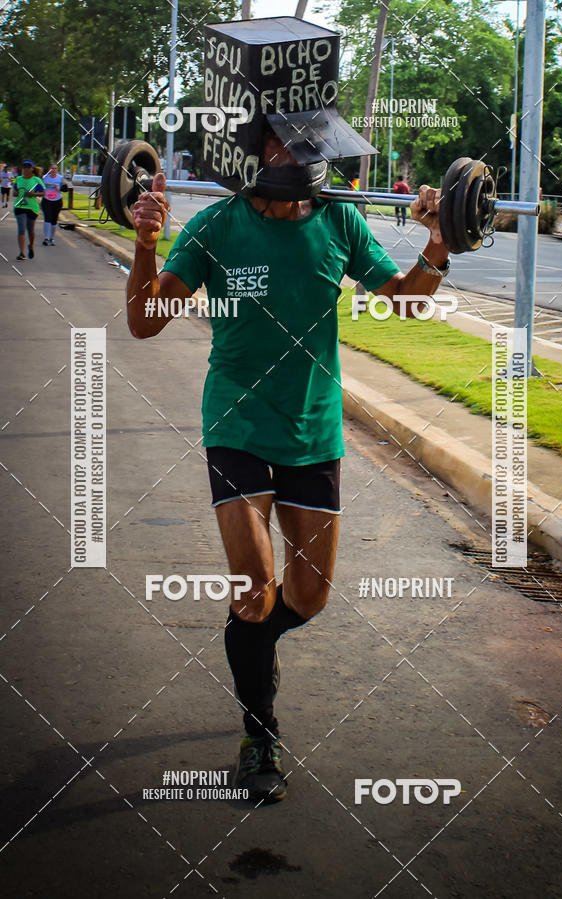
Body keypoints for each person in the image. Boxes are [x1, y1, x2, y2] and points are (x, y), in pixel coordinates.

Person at [126, 17, 451, 806]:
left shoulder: (339, 220)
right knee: (255, 587)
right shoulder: (215, 225)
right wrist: (145, 242)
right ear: (259, 150)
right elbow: (144, 320)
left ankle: (254, 642)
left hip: (313, 427)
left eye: (316, 144)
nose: (309, 156)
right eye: (292, 143)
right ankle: (259, 732)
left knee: (306, 598)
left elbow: (405, 302)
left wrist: (440, 242)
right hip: (237, 422)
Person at [13, 160, 45, 260]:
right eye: (24, 167)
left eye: (28, 167)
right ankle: (22, 253)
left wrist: (33, 194)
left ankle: (31, 245)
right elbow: (15, 191)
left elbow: (43, 193)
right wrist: (15, 193)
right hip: (19, 207)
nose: (26, 169)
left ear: (32, 169)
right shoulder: (18, 179)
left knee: (30, 230)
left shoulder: (36, 180)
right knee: (21, 229)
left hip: (32, 208)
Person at [41, 162, 65, 245]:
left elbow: (65, 189)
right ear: (49, 170)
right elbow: (40, 188)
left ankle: (52, 238)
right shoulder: (45, 178)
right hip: (46, 201)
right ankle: (46, 238)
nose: (54, 170)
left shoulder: (60, 178)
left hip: (57, 201)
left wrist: (60, 188)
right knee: (47, 218)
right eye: (52, 168)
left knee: (54, 220)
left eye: (55, 168)